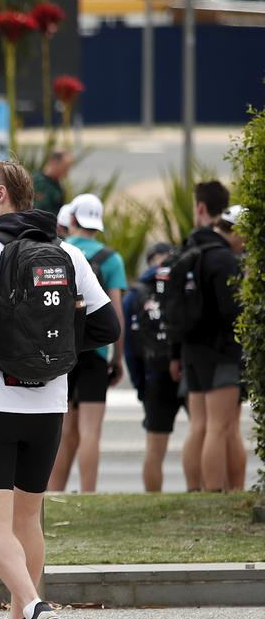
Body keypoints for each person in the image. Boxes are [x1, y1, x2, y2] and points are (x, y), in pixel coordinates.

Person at [0, 160, 118, 619]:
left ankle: (37, 608)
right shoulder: (63, 251)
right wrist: (60, 349)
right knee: (29, 518)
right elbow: (107, 325)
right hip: (48, 403)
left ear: (1, 195)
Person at [48, 194, 128, 493]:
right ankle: (89, 493)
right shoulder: (111, 259)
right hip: (95, 352)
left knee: (64, 428)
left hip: (62, 349)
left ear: (71, 219)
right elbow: (115, 312)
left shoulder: (60, 251)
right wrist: (117, 358)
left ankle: (54, 491)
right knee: (90, 430)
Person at [170, 184, 247, 492]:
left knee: (199, 426)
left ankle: (194, 490)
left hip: (191, 350)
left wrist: (176, 352)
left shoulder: (190, 251)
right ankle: (215, 492)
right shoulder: (223, 259)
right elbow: (232, 311)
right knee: (221, 426)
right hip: (221, 351)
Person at [121, 242, 183, 492]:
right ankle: (202, 492)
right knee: (205, 429)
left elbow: (129, 346)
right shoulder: (180, 282)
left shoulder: (136, 294)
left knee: (155, 448)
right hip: (185, 369)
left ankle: (152, 497)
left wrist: (139, 383)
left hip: (153, 373)